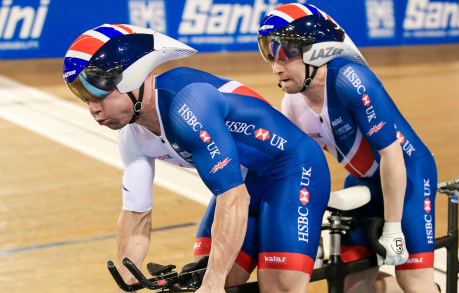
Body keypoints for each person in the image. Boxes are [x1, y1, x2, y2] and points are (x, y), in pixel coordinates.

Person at [62, 24, 331, 293]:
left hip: (294, 170)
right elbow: (136, 214)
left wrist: (213, 283)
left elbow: (234, 199)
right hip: (243, 180)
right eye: (84, 99)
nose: (93, 109)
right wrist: (125, 279)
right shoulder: (131, 136)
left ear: (132, 77)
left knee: (275, 287)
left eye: (98, 95)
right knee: (203, 277)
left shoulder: (186, 105)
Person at [258, 3, 438, 293]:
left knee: (413, 280)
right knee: (353, 281)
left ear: (317, 51)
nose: (276, 66)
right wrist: (311, 239)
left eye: (286, 53)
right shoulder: (291, 104)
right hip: (364, 181)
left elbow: (391, 154)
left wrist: (393, 228)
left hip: (411, 176)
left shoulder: (351, 81)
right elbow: (303, 172)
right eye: (270, 54)